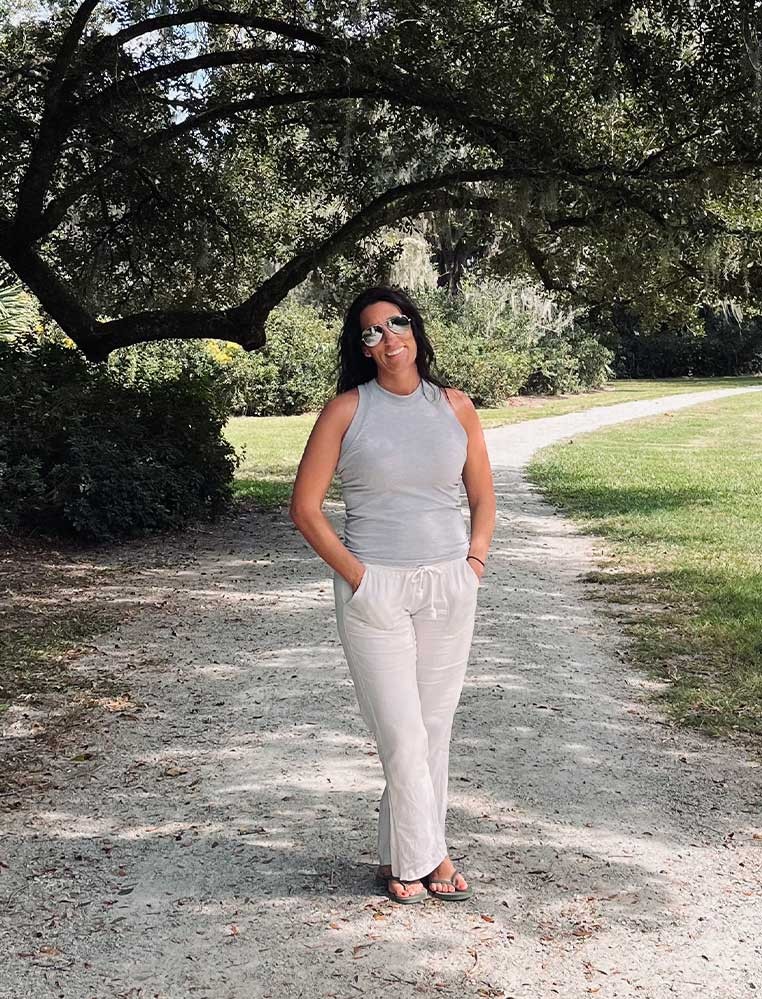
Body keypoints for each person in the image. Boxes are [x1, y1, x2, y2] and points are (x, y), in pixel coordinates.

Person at [289, 285, 496, 904]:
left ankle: (397, 855)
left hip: (448, 585)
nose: (387, 338)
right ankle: (430, 857)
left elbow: (483, 498)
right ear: (363, 349)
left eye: (396, 323)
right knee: (402, 732)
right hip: (376, 586)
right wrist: (361, 578)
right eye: (372, 333)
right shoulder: (347, 410)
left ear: (416, 329)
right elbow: (305, 510)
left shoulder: (455, 407)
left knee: (432, 728)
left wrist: (474, 563)